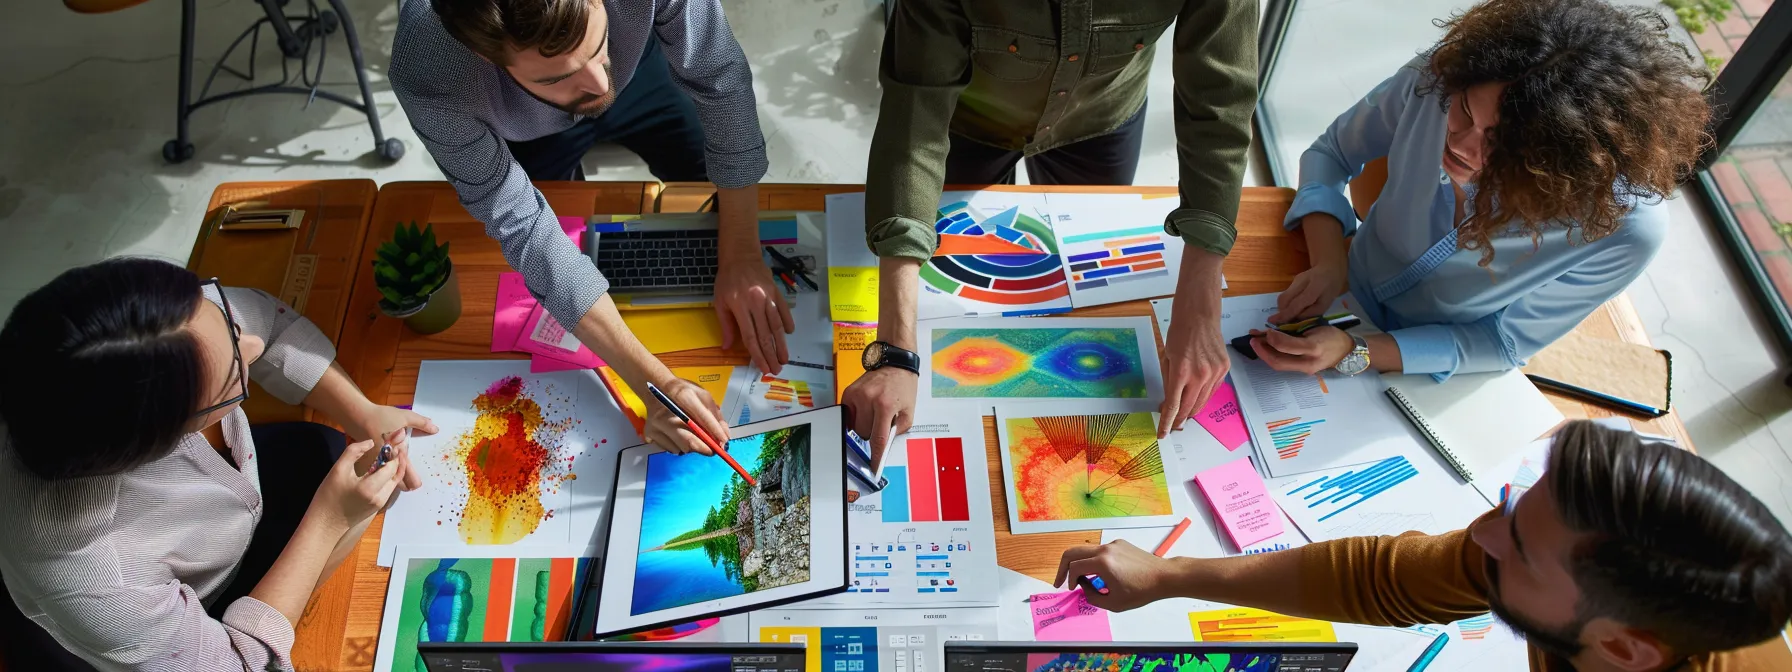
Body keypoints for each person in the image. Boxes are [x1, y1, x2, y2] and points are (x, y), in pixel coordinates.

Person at [842, 0, 1259, 462]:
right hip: (969, 120)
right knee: (959, 251)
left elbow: (1220, 102)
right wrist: (898, 349)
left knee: (1083, 292)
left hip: (1101, 117)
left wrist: (1201, 310)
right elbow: (913, 121)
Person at [1057, 420, 1792, 671]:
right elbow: (1379, 579)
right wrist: (1171, 575)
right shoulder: (1585, 587)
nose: (1481, 536)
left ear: (1628, 650)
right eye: (1512, 507)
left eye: (1517, 551)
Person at [0, 258, 436, 671]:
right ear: (164, 439)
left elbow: (266, 323)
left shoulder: (148, 337)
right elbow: (243, 665)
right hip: (170, 633)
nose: (254, 345)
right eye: (233, 377)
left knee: (318, 451)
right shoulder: (98, 577)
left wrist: (361, 411)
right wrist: (328, 521)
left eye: (223, 317)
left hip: (235, 518)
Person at [390, 0, 786, 455]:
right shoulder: (428, 70)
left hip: (641, 71)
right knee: (565, 221)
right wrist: (657, 386)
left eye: (595, 46)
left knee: (703, 169)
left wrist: (740, 252)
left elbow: (719, 78)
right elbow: (524, 227)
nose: (598, 85)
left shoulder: (608, 67)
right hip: (526, 134)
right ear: (484, 55)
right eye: (555, 75)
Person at [1248, 0, 1711, 381]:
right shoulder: (1443, 77)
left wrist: (1360, 350)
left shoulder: (1626, 228)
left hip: (1429, 365)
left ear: (1565, 165)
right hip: (1340, 287)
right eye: (1466, 112)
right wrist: (1329, 262)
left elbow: (1503, 342)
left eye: (1502, 143)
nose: (1461, 145)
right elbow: (1331, 152)